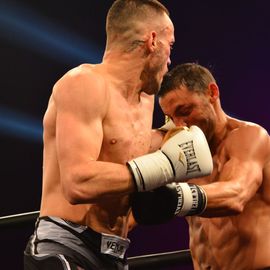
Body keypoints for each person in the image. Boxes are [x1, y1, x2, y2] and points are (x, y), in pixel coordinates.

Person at [23, 2, 214, 270]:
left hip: (114, 253)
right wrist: (166, 166)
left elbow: (125, 153)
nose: (171, 59)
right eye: (170, 45)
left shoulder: (146, 100)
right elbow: (77, 183)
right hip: (66, 245)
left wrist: (171, 145)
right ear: (152, 40)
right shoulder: (84, 84)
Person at [136, 62, 270, 270]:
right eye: (172, 117)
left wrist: (175, 197)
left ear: (212, 93)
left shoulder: (250, 137)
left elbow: (236, 195)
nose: (180, 124)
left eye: (185, 110)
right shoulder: (180, 147)